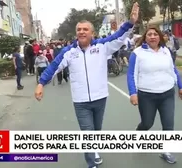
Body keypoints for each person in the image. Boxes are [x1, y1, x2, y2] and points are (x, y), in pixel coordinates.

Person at [35, 3, 139, 168]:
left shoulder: (102, 46)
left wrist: (131, 22)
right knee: (88, 134)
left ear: (92, 33)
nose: (81, 32)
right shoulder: (69, 52)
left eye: (85, 29)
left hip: (100, 98)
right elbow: (53, 67)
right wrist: (41, 83)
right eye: (79, 29)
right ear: (76, 33)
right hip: (81, 101)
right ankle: (92, 163)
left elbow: (119, 36)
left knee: (96, 131)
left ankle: (94, 149)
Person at [127, 26, 182, 164]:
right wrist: (133, 93)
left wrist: (180, 86)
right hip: (147, 95)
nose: (152, 37)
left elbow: (173, 69)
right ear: (145, 38)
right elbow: (131, 74)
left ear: (159, 36)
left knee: (168, 124)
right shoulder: (138, 53)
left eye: (155, 34)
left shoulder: (166, 51)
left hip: (167, 93)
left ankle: (166, 150)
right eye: (149, 34)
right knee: (147, 123)